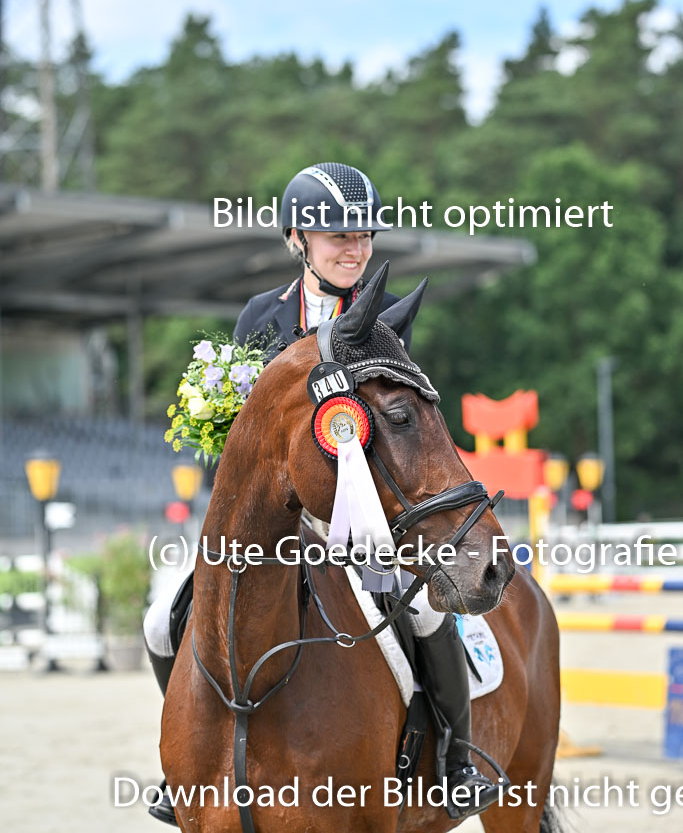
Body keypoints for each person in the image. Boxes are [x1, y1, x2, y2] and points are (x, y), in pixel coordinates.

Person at [144, 162, 498, 825]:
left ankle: (455, 759)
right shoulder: (261, 315)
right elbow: (244, 429)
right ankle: (186, 764)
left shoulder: (383, 319)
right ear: (297, 239)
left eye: (363, 235)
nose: (354, 247)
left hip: (360, 520)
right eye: (338, 235)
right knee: (162, 616)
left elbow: (395, 428)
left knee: (425, 616)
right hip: (268, 519)